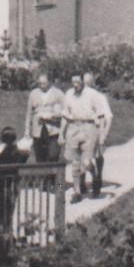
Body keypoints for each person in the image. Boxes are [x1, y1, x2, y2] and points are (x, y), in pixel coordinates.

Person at [62, 73, 110, 204]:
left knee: (87, 162)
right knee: (75, 163)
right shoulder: (69, 94)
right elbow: (65, 114)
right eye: (73, 82)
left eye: (77, 82)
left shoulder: (93, 95)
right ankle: (77, 192)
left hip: (89, 128)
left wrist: (101, 135)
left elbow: (101, 115)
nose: (75, 84)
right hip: (73, 127)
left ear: (83, 82)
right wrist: (62, 133)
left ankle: (95, 178)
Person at [82, 71, 113, 197]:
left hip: (96, 130)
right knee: (83, 159)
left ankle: (97, 176)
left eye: (89, 84)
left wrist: (104, 134)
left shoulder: (99, 97)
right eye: (84, 83)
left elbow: (108, 117)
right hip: (81, 130)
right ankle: (84, 181)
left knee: (97, 156)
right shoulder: (76, 96)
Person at [24, 72, 66, 162]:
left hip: (54, 130)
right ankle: (42, 175)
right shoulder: (33, 93)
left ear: (50, 82)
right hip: (38, 130)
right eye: (40, 83)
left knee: (53, 155)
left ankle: (51, 175)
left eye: (44, 83)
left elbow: (65, 112)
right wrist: (27, 130)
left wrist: (52, 116)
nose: (42, 86)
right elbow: (29, 113)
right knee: (40, 157)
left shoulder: (58, 93)